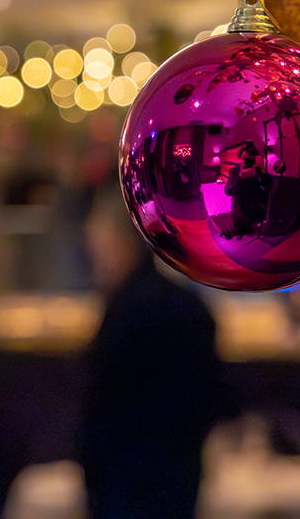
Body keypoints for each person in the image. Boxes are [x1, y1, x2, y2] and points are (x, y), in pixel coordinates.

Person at [78, 188, 224, 519]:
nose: (94, 259)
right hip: (180, 475)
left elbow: (101, 406)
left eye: (98, 248)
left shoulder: (123, 310)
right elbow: (213, 396)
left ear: (121, 242)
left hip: (124, 479)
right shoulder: (190, 305)